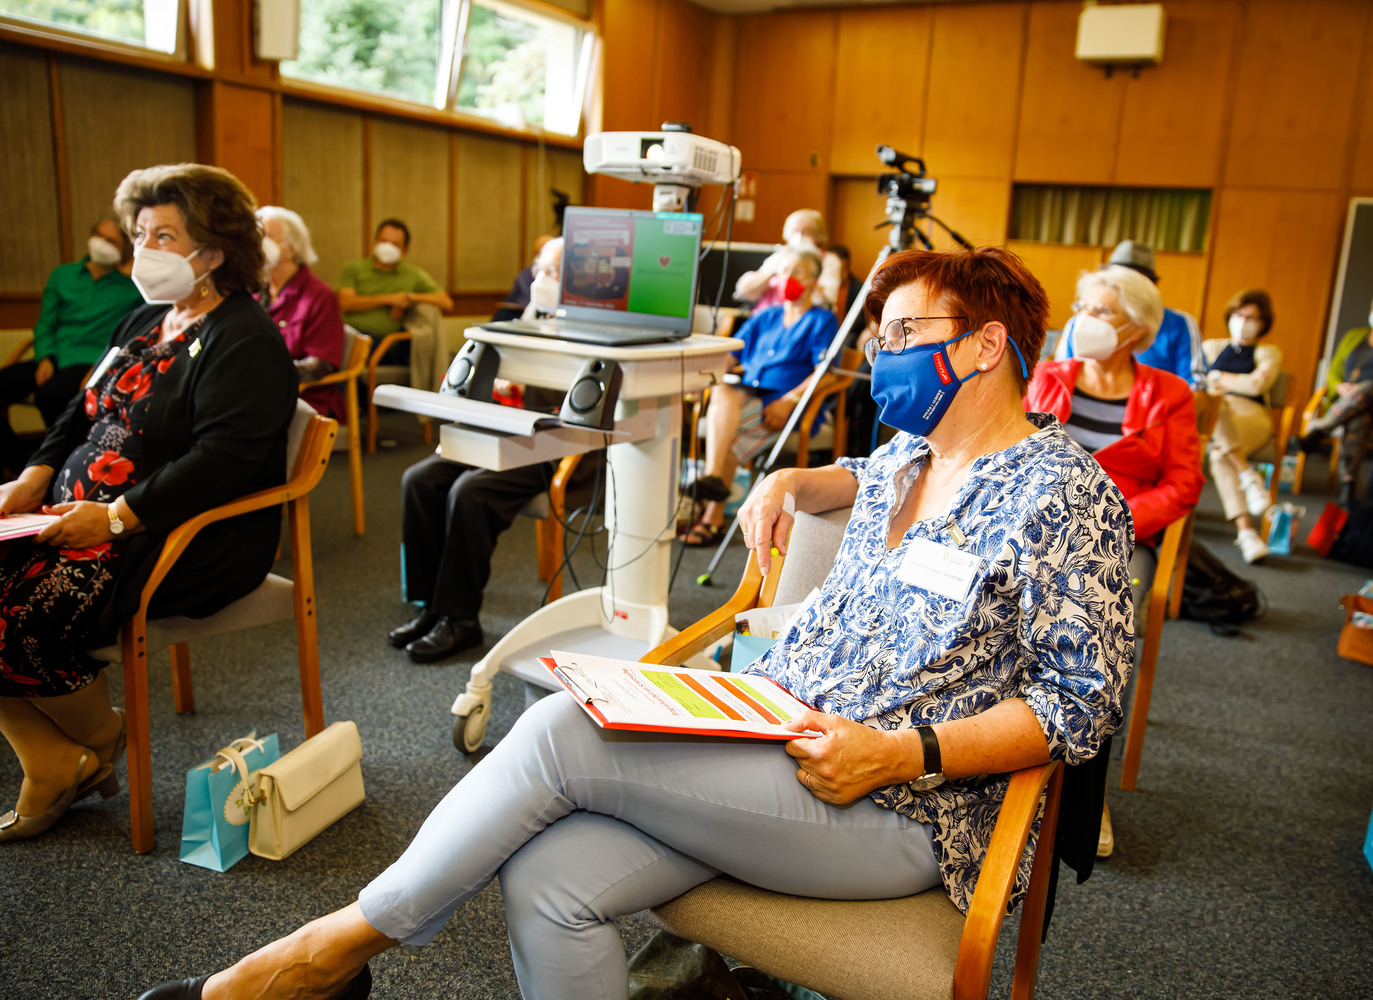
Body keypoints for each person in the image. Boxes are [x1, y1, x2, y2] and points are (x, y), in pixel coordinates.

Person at [135, 245, 1134, 1000]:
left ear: (986, 344)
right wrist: (791, 478)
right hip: (775, 736)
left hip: (896, 801)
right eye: (880, 340)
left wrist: (902, 752)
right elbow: (859, 478)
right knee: (548, 878)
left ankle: (319, 956)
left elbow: (1080, 705)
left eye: (904, 334)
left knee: (561, 732)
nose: (884, 358)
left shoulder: (1064, 494)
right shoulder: (909, 457)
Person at [0, 163, 297, 842]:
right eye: (140, 234)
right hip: (71, 517)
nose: (144, 251)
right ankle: (58, 754)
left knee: (19, 611)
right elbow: (80, 408)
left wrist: (111, 517)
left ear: (214, 252)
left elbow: (220, 464)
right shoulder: (145, 318)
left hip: (178, 535)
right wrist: (37, 473)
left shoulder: (245, 340)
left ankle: (85, 744)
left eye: (164, 236)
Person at [1025, 264, 1204, 857]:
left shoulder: (1169, 394)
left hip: (1123, 536)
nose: (1084, 320)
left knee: (1098, 628)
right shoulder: (1047, 377)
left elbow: (1183, 483)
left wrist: (1115, 517)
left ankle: (1084, 791)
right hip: (1040, 527)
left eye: (1101, 311)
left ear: (1138, 330)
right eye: (1082, 306)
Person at [391, 239, 585, 665]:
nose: (540, 279)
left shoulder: (588, 330)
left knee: (471, 491)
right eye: (538, 269)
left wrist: (522, 385)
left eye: (553, 272)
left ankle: (461, 620)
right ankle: (431, 606)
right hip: (508, 428)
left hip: (559, 443)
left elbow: (577, 405)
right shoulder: (529, 316)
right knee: (420, 480)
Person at [683, 247, 838, 546]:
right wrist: (699, 380)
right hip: (746, 396)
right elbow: (730, 355)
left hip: (783, 404)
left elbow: (825, 372)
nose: (787, 278)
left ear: (814, 281)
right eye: (784, 271)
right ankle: (713, 481)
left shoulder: (822, 320)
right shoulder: (766, 315)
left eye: (797, 272)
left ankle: (712, 515)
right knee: (721, 388)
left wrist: (790, 400)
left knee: (729, 436)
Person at [0, 217, 142, 477]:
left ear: (124, 249)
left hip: (89, 361)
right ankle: (20, 467)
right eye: (99, 235)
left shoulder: (132, 288)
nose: (102, 244)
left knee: (50, 394)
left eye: (111, 241)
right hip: (54, 355)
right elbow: (45, 324)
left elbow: (136, 331)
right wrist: (45, 357)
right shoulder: (62, 276)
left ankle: (52, 468)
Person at [1293, 288, 1373, 504]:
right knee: (1359, 419)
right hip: (1351, 406)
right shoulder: (1354, 336)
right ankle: (1349, 483)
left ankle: (1320, 430)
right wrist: (1340, 387)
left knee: (1368, 389)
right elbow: (1334, 370)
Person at [1053, 240, 1206, 389]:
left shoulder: (1180, 323)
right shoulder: (1079, 322)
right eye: (1116, 281)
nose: (1122, 289)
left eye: (1132, 284)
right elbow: (1058, 377)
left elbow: (1195, 386)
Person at [1201, 289, 1282, 564]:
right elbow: (1198, 380)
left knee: (1218, 453)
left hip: (1251, 414)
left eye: (1250, 317)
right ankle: (1248, 480)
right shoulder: (1212, 346)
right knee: (1217, 406)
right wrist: (1233, 381)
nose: (1242, 321)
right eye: (1238, 315)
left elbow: (1257, 385)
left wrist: (1217, 376)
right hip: (1218, 413)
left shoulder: (1268, 352)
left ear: (1263, 322)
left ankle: (1246, 531)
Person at [256, 206, 346, 421]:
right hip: (257, 390)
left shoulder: (319, 296)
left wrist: (263, 377)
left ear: (292, 249)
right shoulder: (254, 291)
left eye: (266, 236)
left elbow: (319, 365)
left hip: (301, 396)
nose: (258, 243)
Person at [336, 218, 453, 384]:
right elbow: (345, 303)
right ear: (375, 241)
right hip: (347, 331)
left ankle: (339, 400)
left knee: (344, 352)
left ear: (405, 250)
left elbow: (446, 302)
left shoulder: (413, 274)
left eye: (394, 244)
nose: (387, 247)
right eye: (384, 241)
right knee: (333, 342)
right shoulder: (354, 268)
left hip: (382, 343)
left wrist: (409, 297)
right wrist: (390, 299)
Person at [733, 209, 845, 312]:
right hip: (768, 314)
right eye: (795, 230)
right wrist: (776, 270)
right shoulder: (779, 256)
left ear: (817, 235)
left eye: (806, 231)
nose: (800, 235)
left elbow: (827, 299)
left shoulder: (828, 260)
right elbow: (745, 291)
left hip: (803, 316)